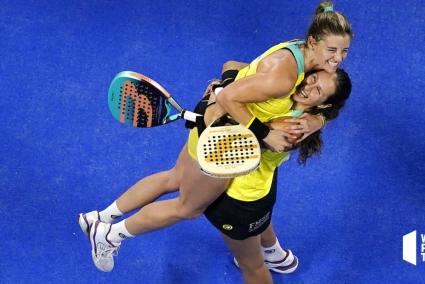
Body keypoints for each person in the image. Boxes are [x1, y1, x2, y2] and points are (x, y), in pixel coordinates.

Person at [78, 1, 353, 275]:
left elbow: (233, 67)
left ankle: (98, 218)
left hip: (212, 127)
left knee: (174, 178)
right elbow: (230, 98)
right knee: (187, 209)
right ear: (313, 42)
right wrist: (265, 132)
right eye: (332, 50)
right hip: (220, 146)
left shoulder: (299, 57)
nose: (338, 58)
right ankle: (111, 235)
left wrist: (226, 83)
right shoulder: (284, 80)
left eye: (344, 51)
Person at [204, 68, 352, 284]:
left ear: (323, 104)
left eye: (317, 90)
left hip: (239, 200)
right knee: (260, 225)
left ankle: (268, 259)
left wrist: (216, 97)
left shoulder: (291, 127)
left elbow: (219, 135)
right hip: (261, 191)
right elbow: (231, 64)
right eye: (312, 79)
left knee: (251, 266)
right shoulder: (289, 97)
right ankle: (275, 255)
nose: (307, 88)